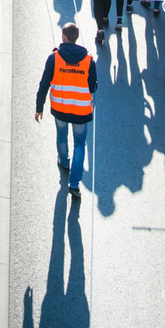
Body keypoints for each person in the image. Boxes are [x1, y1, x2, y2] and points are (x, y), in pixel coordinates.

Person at [35, 22, 97, 202]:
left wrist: (39, 108)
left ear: (64, 37)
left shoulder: (54, 58)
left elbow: (44, 84)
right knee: (80, 144)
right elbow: (92, 86)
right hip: (81, 110)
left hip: (60, 107)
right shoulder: (88, 60)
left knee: (62, 136)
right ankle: (74, 184)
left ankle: (64, 162)